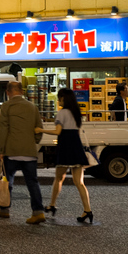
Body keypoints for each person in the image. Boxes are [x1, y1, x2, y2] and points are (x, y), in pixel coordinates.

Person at [35, 88, 94, 224]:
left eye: (59, 98)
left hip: (66, 146)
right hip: (76, 146)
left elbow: (58, 131)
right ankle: (87, 210)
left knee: (58, 178)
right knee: (79, 182)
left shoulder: (62, 113)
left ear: (63, 99)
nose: (58, 100)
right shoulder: (76, 113)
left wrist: (40, 129)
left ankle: (52, 205)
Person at [0, 80, 46, 224]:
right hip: (29, 151)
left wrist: (0, 150)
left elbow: (3, 129)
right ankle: (38, 212)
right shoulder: (32, 107)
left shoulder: (6, 106)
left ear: (8, 93)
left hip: (11, 151)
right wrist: (34, 141)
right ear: (22, 91)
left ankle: (4, 209)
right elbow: (39, 128)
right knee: (32, 182)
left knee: (7, 181)